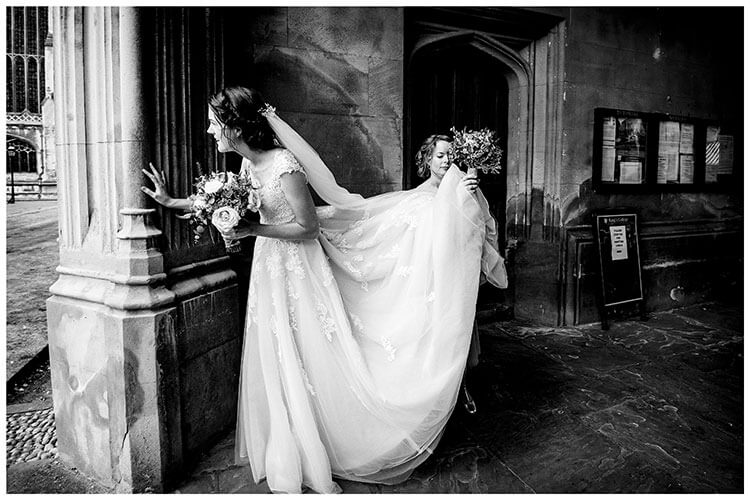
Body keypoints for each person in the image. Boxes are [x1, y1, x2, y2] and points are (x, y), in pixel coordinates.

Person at [142, 86, 506, 494]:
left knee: (312, 349)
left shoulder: (284, 165)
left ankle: (335, 438)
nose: (210, 130)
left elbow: (307, 227)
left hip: (298, 267)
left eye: (214, 123)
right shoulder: (247, 168)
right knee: (280, 350)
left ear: (235, 126)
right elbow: (218, 202)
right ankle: (293, 436)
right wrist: (171, 201)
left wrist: (252, 229)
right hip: (269, 266)